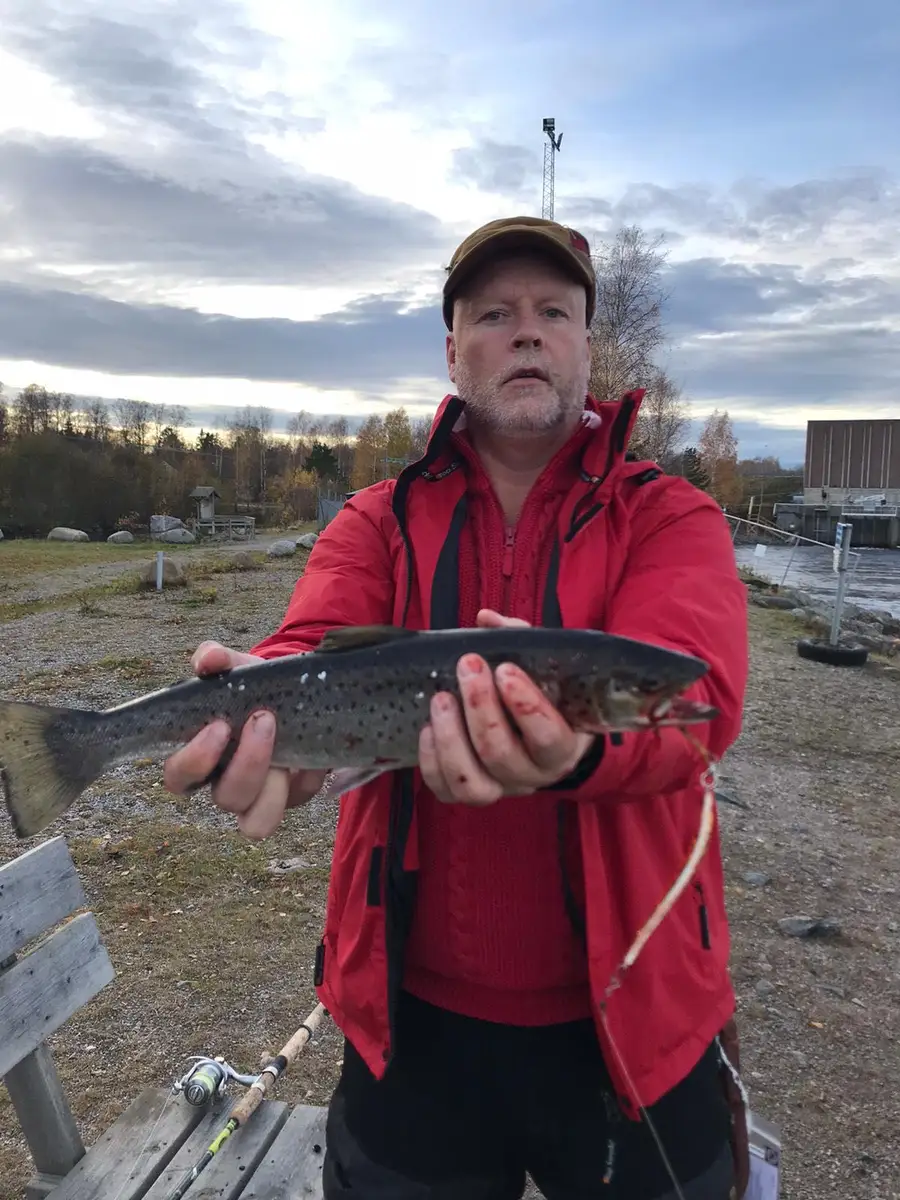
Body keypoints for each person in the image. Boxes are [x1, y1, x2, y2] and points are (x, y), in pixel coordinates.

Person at [163, 215, 750, 1199]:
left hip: (638, 1028)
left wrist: (572, 754)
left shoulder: (670, 516)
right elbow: (306, 649)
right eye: (494, 313)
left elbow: (701, 697)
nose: (527, 332)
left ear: (584, 344)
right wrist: (269, 727)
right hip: (410, 1032)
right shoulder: (374, 519)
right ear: (451, 349)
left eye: (553, 311)